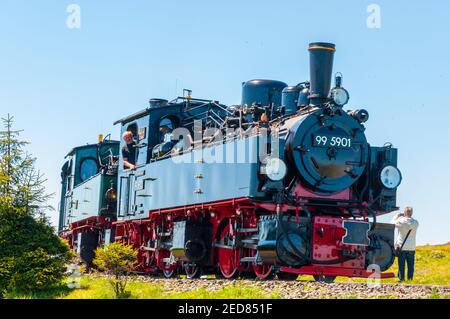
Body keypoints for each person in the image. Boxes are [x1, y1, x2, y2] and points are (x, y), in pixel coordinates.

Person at [391, 207, 419, 281]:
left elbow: (392, 223)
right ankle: (410, 279)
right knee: (410, 266)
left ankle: (401, 279)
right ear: (411, 213)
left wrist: (396, 216)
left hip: (401, 247)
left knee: (401, 265)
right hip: (411, 247)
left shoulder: (401, 221)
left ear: (405, 213)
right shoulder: (416, 223)